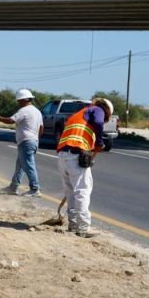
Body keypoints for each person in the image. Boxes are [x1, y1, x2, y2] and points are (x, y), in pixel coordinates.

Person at [56, 97, 114, 238]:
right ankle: (83, 228)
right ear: (107, 110)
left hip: (63, 155)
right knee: (82, 191)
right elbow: (99, 122)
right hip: (76, 155)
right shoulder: (97, 110)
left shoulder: (78, 114)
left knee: (70, 192)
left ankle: (73, 224)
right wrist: (99, 143)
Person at [0, 88, 43, 197]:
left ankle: (35, 188)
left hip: (26, 142)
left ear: (24, 100)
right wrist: (36, 139)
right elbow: (41, 127)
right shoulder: (37, 111)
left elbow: (11, 121)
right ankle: (13, 187)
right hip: (32, 141)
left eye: (19, 100)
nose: (18, 103)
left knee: (28, 165)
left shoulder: (24, 110)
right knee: (20, 165)